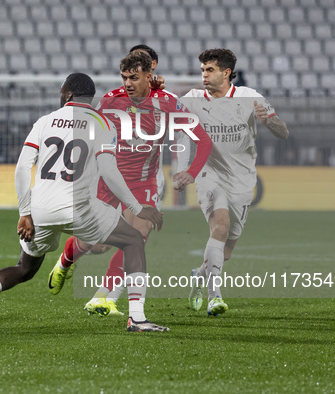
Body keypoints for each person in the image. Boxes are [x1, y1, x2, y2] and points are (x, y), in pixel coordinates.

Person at [0, 73, 169, 332]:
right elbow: (109, 172)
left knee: (24, 269)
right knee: (132, 240)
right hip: (80, 208)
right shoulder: (103, 124)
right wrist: (139, 208)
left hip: (40, 210)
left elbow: (21, 169)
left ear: (68, 94)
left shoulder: (45, 121)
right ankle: (137, 319)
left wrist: (24, 213)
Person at [48, 51, 213, 316]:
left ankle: (103, 298)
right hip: (107, 181)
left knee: (136, 237)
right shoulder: (111, 101)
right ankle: (66, 261)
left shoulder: (168, 103)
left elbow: (203, 140)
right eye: (124, 77)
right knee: (96, 246)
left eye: (134, 78)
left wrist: (191, 173)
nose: (127, 83)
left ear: (149, 76)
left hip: (143, 184)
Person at [182, 49, 289, 316]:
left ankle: (200, 274)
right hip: (210, 175)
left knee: (226, 250)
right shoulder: (193, 99)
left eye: (210, 70)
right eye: (202, 70)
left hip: (242, 180)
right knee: (220, 226)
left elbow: (284, 132)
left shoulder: (250, 98)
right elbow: (161, 110)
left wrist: (269, 122)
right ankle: (214, 297)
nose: (204, 75)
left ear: (226, 72)